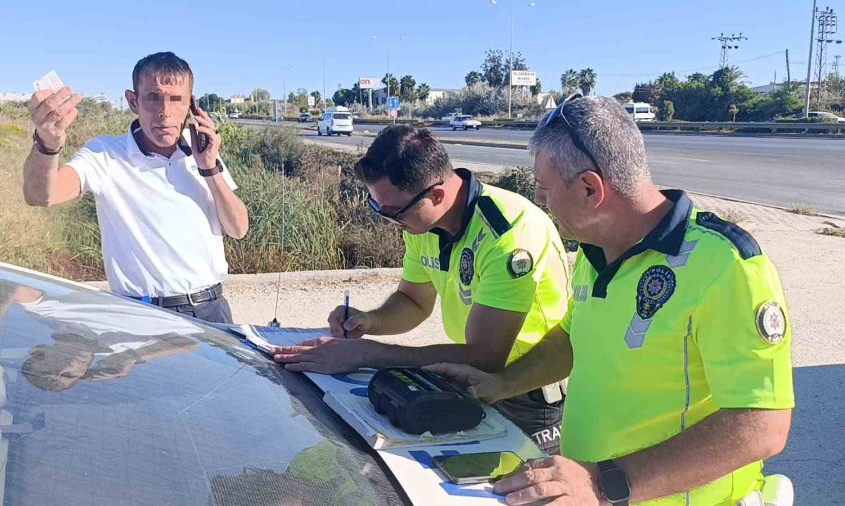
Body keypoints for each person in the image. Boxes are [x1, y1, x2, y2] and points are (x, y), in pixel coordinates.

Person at [428, 95, 795, 505]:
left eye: (545, 190)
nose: (542, 203)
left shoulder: (725, 266)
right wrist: (500, 384)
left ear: (590, 189)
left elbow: (761, 425)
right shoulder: (595, 250)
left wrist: (603, 484)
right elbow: (573, 338)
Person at [273, 125, 572, 452]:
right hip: (473, 379)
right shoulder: (421, 224)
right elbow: (413, 301)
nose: (390, 222)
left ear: (437, 194)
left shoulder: (509, 234)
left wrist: (367, 355)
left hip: (528, 395)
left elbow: (486, 356)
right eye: (378, 209)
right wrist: (369, 321)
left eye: (394, 212)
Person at [22, 52, 248, 324]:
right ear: (133, 102)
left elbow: (238, 229)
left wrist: (209, 167)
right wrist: (48, 142)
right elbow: (41, 195)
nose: (164, 111)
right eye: (153, 97)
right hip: (142, 316)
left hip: (212, 310)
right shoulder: (104, 154)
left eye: (176, 99)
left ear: (191, 105)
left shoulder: (203, 150)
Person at [0, 278, 201, 391]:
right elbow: (189, 344)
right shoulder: (122, 349)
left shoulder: (53, 314)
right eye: (69, 375)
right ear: (83, 373)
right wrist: (133, 356)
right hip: (197, 306)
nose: (66, 366)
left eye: (51, 370)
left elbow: (5, 286)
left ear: (39, 352)